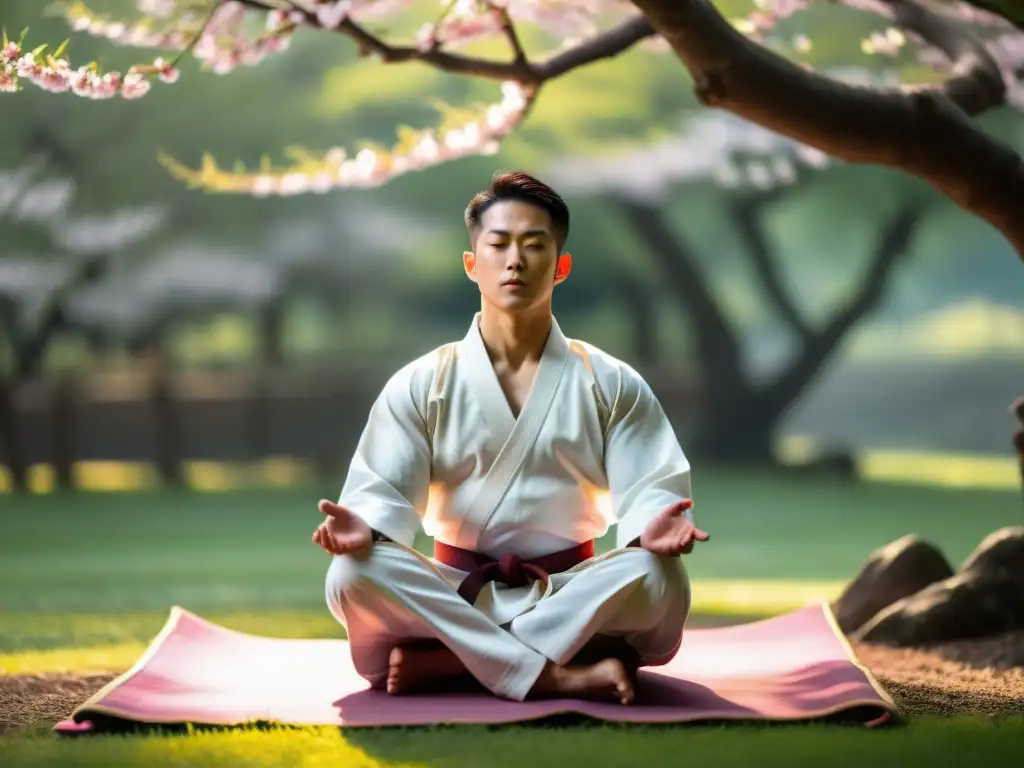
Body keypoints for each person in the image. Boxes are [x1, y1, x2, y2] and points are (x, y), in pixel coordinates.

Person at [314, 170, 709, 705]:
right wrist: (365, 529)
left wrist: (651, 526)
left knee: (658, 577)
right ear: (472, 264)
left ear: (560, 266)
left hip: (569, 592)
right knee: (353, 574)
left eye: (534, 245)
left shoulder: (611, 383)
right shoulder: (421, 383)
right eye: (498, 244)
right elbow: (381, 496)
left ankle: (457, 660)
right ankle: (555, 672)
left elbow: (651, 490)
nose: (515, 261)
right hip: (454, 592)